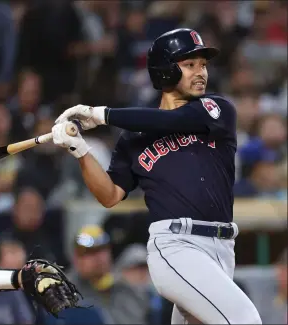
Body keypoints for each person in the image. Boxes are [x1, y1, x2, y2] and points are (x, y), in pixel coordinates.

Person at [51, 28, 262, 324]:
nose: (201, 72)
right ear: (164, 71)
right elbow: (110, 194)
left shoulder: (215, 110)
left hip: (222, 248)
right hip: (176, 246)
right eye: (189, 65)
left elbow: (171, 120)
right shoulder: (133, 137)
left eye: (203, 65)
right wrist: (80, 150)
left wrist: (101, 114)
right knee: (244, 320)